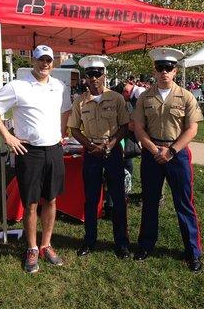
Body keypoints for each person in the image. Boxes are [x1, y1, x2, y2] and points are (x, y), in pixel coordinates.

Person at [0, 45, 71, 274]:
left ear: (54, 62)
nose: (45, 64)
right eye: (41, 60)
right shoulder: (17, 86)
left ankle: (46, 245)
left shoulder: (59, 86)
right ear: (33, 61)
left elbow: (65, 110)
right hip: (29, 152)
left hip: (53, 150)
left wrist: (61, 132)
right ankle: (32, 248)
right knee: (31, 203)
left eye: (49, 60)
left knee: (51, 200)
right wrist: (8, 137)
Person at [132, 47, 204, 272]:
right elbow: (138, 127)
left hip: (178, 153)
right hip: (152, 152)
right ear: (154, 70)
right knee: (150, 201)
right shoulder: (145, 97)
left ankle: (192, 252)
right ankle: (145, 245)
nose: (164, 72)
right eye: (160, 68)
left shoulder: (186, 96)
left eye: (169, 68)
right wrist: (155, 150)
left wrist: (171, 151)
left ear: (175, 71)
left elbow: (192, 129)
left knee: (184, 204)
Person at [68, 55, 130, 259]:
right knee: (91, 198)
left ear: (104, 75)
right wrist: (89, 146)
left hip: (112, 151)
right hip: (91, 151)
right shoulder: (80, 101)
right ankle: (89, 240)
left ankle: (121, 242)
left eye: (98, 73)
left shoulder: (117, 98)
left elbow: (124, 125)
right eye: (90, 74)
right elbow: (74, 129)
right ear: (85, 77)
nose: (94, 78)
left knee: (118, 198)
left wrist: (111, 144)